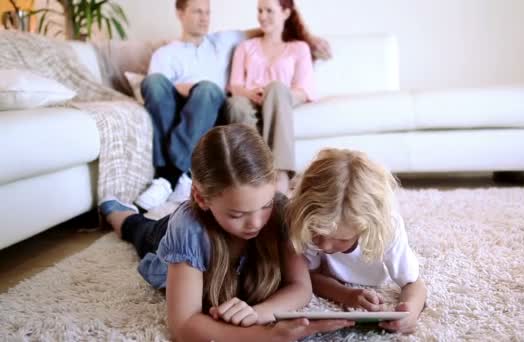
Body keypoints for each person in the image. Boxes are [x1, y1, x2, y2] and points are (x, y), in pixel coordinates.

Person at [100, 124, 353, 340]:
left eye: (264, 206)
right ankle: (118, 212)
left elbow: (300, 286)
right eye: (237, 214)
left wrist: (259, 314)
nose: (255, 223)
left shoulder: (280, 211)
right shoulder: (187, 229)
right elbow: (182, 325)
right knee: (139, 231)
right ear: (201, 197)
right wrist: (258, 336)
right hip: (169, 232)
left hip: (209, 224)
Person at [136, 0, 331, 209]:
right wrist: (189, 88)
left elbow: (268, 28)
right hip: (177, 105)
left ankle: (167, 178)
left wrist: (306, 37)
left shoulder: (223, 41)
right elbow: (157, 95)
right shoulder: (164, 54)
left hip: (209, 105)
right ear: (180, 13)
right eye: (197, 12)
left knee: (209, 90)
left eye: (207, 12)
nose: (204, 18)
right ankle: (175, 176)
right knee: (154, 82)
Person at [287, 148, 428, 335]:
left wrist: (410, 312)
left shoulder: (387, 229)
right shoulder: (310, 221)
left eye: (342, 239)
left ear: (367, 228)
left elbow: (414, 284)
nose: (325, 246)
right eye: (318, 234)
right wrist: (347, 295)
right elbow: (310, 276)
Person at [225, 0, 316, 193]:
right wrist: (251, 93)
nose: (262, 16)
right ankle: (252, 176)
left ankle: (279, 174)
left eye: (269, 11)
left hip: (281, 98)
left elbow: (303, 89)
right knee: (236, 105)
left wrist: (273, 93)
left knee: (275, 88)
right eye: (259, 11)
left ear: (285, 13)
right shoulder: (245, 47)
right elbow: (235, 85)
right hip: (249, 100)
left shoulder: (299, 48)